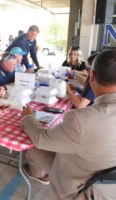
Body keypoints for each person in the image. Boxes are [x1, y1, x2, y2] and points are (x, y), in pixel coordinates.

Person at [20, 49, 116, 199]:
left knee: (31, 145)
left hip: (80, 189)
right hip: (107, 189)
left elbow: (40, 139)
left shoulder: (80, 120)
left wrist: (28, 118)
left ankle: (38, 174)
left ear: (92, 75)